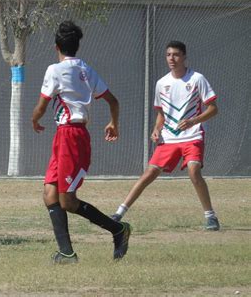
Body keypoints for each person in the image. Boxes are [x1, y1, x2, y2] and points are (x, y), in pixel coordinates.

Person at [32, 21, 131, 264]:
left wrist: (34, 120)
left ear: (56, 46)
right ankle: (67, 253)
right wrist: (113, 123)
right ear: (77, 46)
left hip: (71, 138)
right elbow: (113, 100)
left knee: (67, 201)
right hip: (67, 136)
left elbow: (43, 104)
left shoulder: (54, 70)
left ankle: (118, 229)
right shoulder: (86, 69)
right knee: (49, 194)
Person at [111, 40, 220, 231]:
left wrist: (194, 121)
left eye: (176, 54)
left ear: (184, 57)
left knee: (194, 171)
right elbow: (161, 114)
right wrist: (156, 129)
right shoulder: (162, 83)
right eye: (169, 55)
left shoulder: (197, 79)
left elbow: (213, 109)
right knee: (148, 174)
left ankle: (210, 216)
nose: (172, 58)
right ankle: (119, 213)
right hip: (169, 138)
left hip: (192, 136)